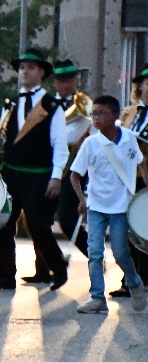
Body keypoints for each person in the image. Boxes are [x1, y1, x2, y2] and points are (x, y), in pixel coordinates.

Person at [0, 48, 69, 291]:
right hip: (11, 172)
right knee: (4, 223)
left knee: (37, 224)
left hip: (39, 175)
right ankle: (5, 276)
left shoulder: (52, 105)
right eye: (22, 67)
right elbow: (2, 137)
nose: (25, 71)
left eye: (31, 67)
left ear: (42, 72)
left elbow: (60, 145)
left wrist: (56, 177)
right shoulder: (10, 103)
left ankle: (58, 268)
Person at [70, 95, 148, 314]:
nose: (96, 118)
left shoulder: (130, 139)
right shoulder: (91, 143)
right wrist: (82, 201)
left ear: (115, 116)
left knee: (121, 253)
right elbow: (75, 175)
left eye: (101, 113)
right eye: (94, 113)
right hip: (96, 207)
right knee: (94, 252)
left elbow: (140, 162)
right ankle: (97, 297)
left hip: (122, 207)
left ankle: (134, 282)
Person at [25, 59, 91, 285]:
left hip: (73, 170)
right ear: (53, 82)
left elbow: (71, 137)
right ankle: (43, 269)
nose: (65, 84)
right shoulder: (47, 104)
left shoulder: (83, 105)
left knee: (66, 219)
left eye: (69, 79)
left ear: (75, 80)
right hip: (47, 167)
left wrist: (49, 131)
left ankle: (95, 257)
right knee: (37, 218)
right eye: (60, 80)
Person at [112, 62, 148, 297]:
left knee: (143, 228)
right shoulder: (131, 112)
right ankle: (131, 279)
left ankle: (141, 279)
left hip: (145, 177)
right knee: (128, 230)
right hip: (128, 178)